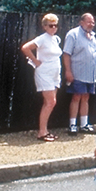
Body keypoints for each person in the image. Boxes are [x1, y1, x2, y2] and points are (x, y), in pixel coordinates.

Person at [20, 13, 62, 142]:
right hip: (44, 73)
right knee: (51, 102)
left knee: (48, 103)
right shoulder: (42, 38)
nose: (53, 28)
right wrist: (35, 61)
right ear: (45, 26)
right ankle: (42, 132)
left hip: (55, 73)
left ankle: (45, 130)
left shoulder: (56, 39)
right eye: (51, 26)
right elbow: (25, 48)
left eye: (55, 25)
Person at [62, 13, 96, 135]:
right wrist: (68, 71)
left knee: (86, 97)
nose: (91, 24)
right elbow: (66, 53)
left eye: (92, 22)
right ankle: (72, 124)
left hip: (90, 74)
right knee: (76, 97)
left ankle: (84, 124)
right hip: (77, 72)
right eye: (89, 22)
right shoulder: (73, 34)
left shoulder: (93, 37)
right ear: (81, 22)